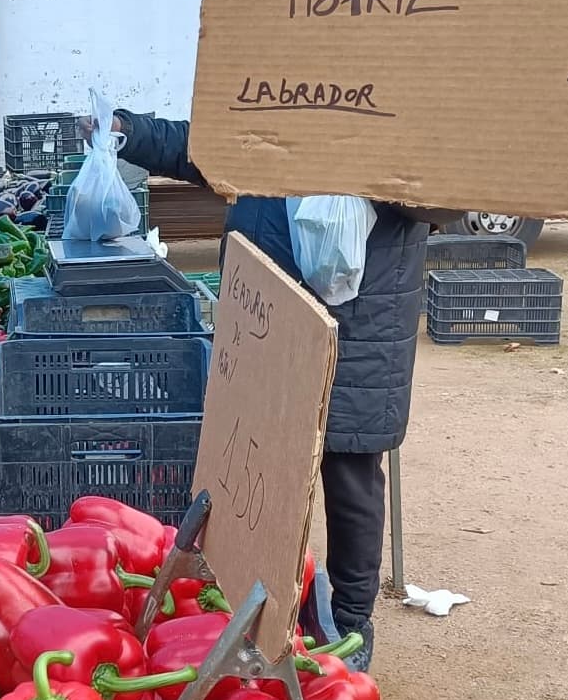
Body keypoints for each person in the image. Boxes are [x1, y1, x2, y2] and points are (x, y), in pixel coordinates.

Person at [109, 110, 460, 670]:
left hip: (361, 317)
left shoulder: (406, 95)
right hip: (266, 308)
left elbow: (445, 196)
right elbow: (215, 143)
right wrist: (131, 130)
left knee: (349, 471)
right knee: (255, 468)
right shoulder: (275, 87)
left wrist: (367, 165)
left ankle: (350, 621)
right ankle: (255, 611)